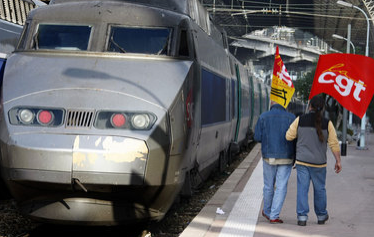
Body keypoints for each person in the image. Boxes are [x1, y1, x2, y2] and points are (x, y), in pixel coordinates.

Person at [286, 95, 342, 226]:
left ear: (309, 106)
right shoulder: (327, 123)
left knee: (302, 189)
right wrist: (338, 161)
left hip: (302, 162)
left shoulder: (300, 120)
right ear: (323, 108)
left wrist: (301, 137)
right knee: (320, 189)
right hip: (319, 163)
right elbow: (334, 143)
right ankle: (321, 215)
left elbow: (289, 136)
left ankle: (302, 217)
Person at [254, 100, 296, 224]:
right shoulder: (292, 117)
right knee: (281, 186)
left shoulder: (263, 116)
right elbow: (295, 138)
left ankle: (266, 211)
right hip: (286, 157)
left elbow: (257, 137)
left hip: (268, 156)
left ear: (271, 103)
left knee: (268, 186)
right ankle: (274, 216)